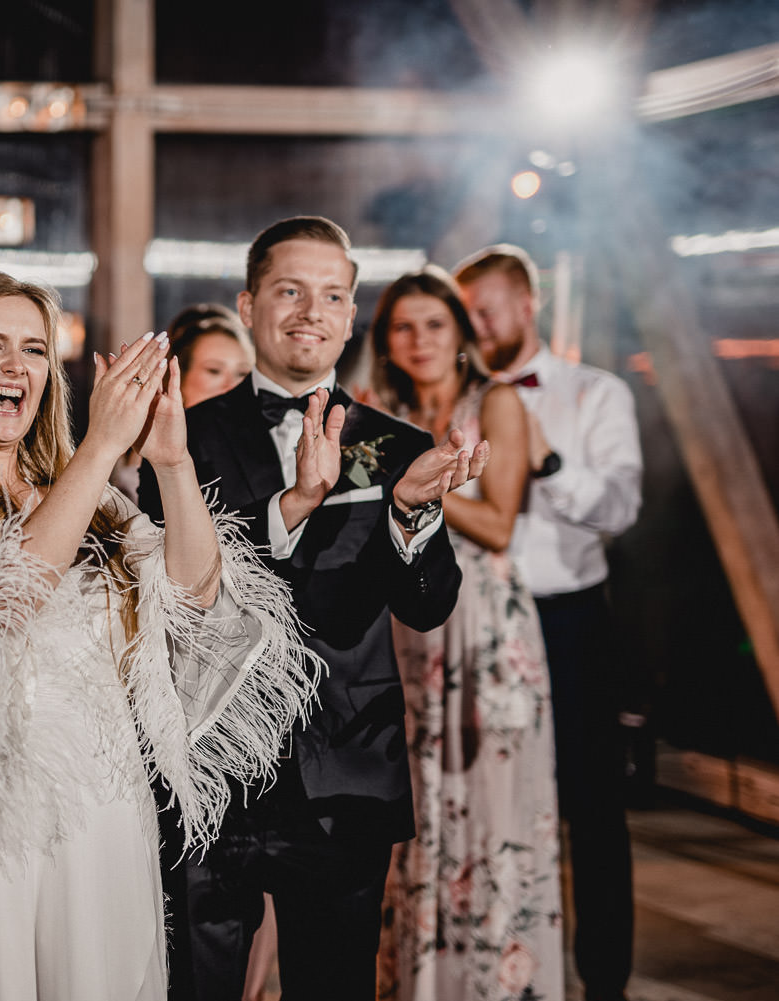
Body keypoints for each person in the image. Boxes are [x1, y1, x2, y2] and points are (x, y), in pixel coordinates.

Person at [0, 269, 320, 1001]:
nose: (16, 366)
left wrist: (171, 462)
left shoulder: (90, 496)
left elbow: (196, 594)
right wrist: (99, 446)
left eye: (35, 349)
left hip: (106, 796)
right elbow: (8, 596)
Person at [142, 216, 488, 1001]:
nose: (311, 311)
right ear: (249, 304)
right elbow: (175, 590)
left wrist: (411, 512)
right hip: (211, 768)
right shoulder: (184, 437)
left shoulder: (397, 445)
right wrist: (293, 504)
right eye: (290, 291)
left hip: (347, 772)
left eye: (332, 295)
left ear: (352, 314)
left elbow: (429, 606)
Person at [367, 267, 563, 1001]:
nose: (419, 340)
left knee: (491, 803)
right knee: (415, 807)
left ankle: (490, 985)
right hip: (405, 628)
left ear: (460, 332)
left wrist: (413, 492)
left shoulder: (497, 401)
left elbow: (500, 522)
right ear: (386, 341)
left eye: (434, 324)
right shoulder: (378, 410)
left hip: (484, 625)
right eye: (403, 327)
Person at [454, 245, 643, 1001]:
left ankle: (604, 980)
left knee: (591, 806)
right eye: (466, 313)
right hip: (474, 620)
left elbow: (621, 508)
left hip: (567, 620)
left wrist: (551, 462)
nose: (475, 324)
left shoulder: (596, 392)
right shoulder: (454, 399)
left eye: (485, 309)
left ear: (527, 304)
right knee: (484, 794)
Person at [109, 302, 253, 501]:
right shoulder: (149, 451)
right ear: (178, 377)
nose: (232, 385)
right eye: (214, 371)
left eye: (242, 373)